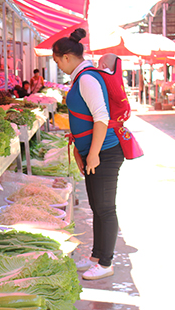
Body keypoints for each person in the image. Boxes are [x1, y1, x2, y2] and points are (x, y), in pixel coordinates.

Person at [52, 28, 124, 280]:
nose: (59, 66)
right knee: (96, 206)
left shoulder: (86, 78)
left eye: (57, 61)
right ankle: (96, 256)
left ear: (67, 57)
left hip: (105, 152)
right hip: (94, 152)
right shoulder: (81, 77)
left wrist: (93, 154)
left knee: (105, 208)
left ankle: (106, 263)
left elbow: (101, 117)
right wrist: (82, 153)